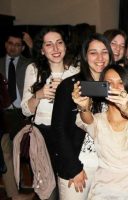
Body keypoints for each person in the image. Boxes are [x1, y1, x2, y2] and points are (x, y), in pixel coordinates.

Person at [72, 64, 128, 199]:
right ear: (102, 88)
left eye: (121, 83)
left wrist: (126, 108)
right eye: (109, 84)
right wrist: (83, 107)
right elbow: (87, 121)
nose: (115, 88)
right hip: (105, 190)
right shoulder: (99, 120)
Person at [51, 33, 114, 200]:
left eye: (104, 52)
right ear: (85, 56)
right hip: (80, 166)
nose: (100, 57)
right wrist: (74, 168)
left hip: (108, 168)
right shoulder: (70, 86)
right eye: (93, 52)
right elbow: (59, 129)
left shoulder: (115, 85)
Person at [21, 26, 80, 200]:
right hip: (43, 135)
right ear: (42, 49)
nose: (55, 48)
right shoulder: (33, 70)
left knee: (68, 185)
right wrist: (39, 95)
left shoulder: (75, 70)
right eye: (49, 44)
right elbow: (25, 109)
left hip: (68, 135)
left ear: (65, 46)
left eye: (59, 43)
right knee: (47, 189)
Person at [0, 29, 33, 200]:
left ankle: (20, 181)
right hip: (4, 113)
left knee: (23, 150)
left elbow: (44, 64)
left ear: (22, 47)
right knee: (7, 152)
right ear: (5, 44)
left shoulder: (28, 63)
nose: (13, 48)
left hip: (23, 112)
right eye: (10, 43)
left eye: (17, 45)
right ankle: (14, 190)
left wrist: (31, 45)